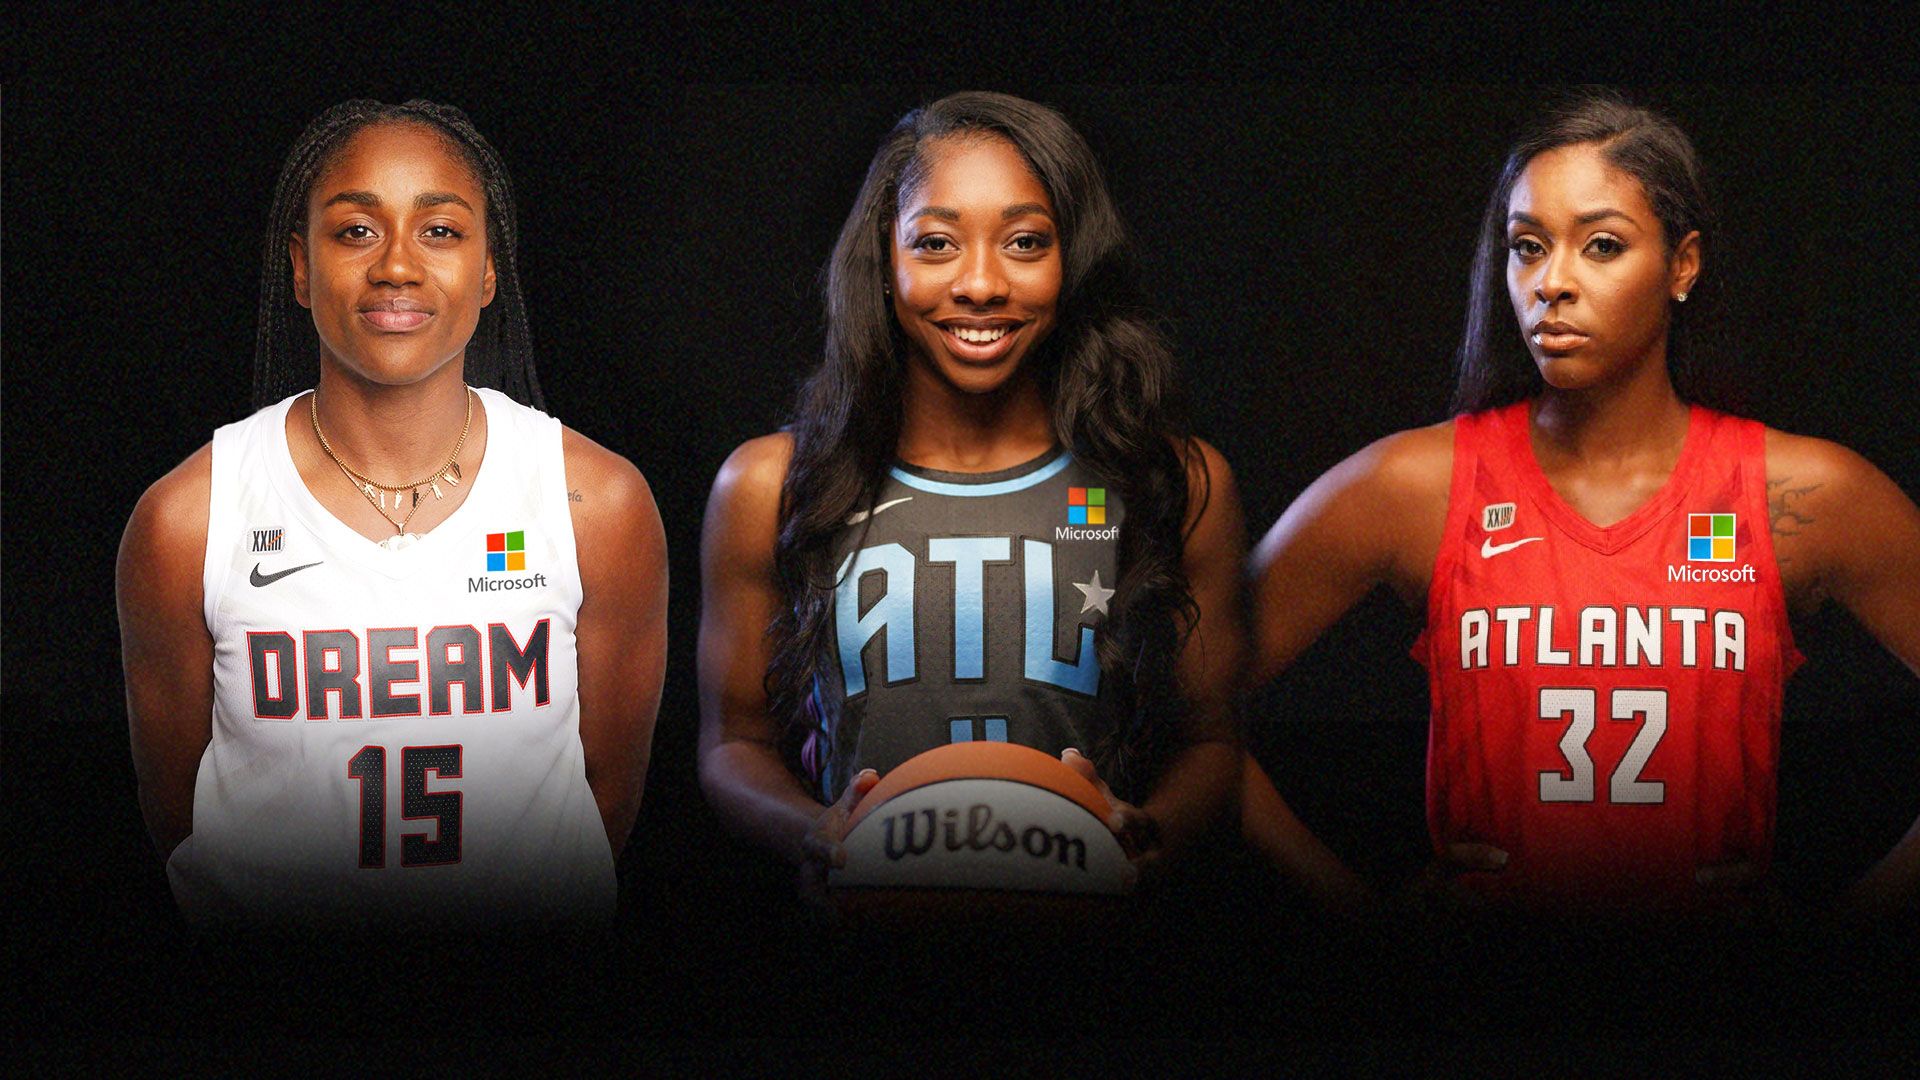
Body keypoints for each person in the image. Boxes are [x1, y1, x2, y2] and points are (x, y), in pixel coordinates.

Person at [1240, 92, 1920, 915]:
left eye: (1601, 245)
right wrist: (1361, 913)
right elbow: (1171, 705)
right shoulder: (1416, 485)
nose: (1551, 283)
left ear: (1683, 265)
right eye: (1527, 247)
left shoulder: (1801, 492)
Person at [116, 100, 667, 928]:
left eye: (440, 231)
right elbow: (178, 821)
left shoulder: (597, 503)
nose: (398, 267)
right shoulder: (186, 520)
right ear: (300, 270)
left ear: (489, 270)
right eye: (355, 232)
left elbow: (606, 801)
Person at [697, 92, 1253, 900]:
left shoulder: (1173, 482)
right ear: (885, 265)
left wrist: (1149, 831)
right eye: (936, 243)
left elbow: (1212, 740)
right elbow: (729, 743)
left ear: (1073, 263)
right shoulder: (769, 485)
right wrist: (813, 834)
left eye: (1025, 242)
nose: (982, 283)